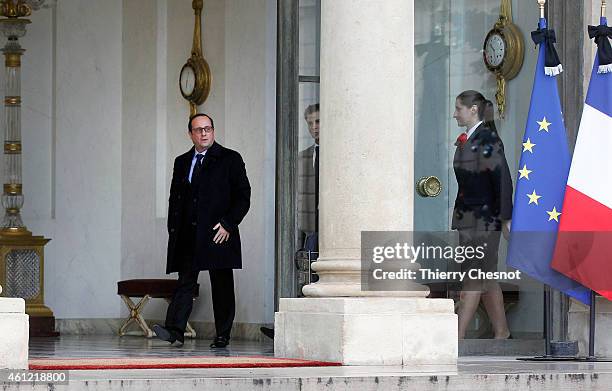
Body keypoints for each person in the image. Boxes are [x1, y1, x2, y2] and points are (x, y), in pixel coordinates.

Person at [153, 113, 251, 348]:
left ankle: (222, 334)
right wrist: (173, 229)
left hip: (219, 231)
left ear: (213, 131)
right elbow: (175, 199)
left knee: (222, 284)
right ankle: (175, 330)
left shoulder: (230, 159)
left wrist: (229, 223)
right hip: (188, 233)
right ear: (190, 134)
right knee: (185, 281)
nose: (204, 133)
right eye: (198, 130)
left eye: (207, 129)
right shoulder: (182, 161)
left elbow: (243, 197)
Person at [451, 90, 513, 339]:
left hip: (485, 220)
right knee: (485, 277)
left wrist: (506, 217)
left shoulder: (488, 138)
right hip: (469, 219)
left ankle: (456, 337)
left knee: (474, 277)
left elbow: (502, 180)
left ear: (473, 109)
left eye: (458, 109)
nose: (455, 114)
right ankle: (502, 331)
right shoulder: (470, 138)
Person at [260, 103, 320, 341]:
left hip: (332, 231)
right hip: (306, 228)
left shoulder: (337, 156)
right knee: (303, 278)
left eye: (318, 121)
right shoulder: (303, 156)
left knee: (319, 281)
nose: (314, 127)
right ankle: (293, 328)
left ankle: (309, 331)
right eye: (310, 123)